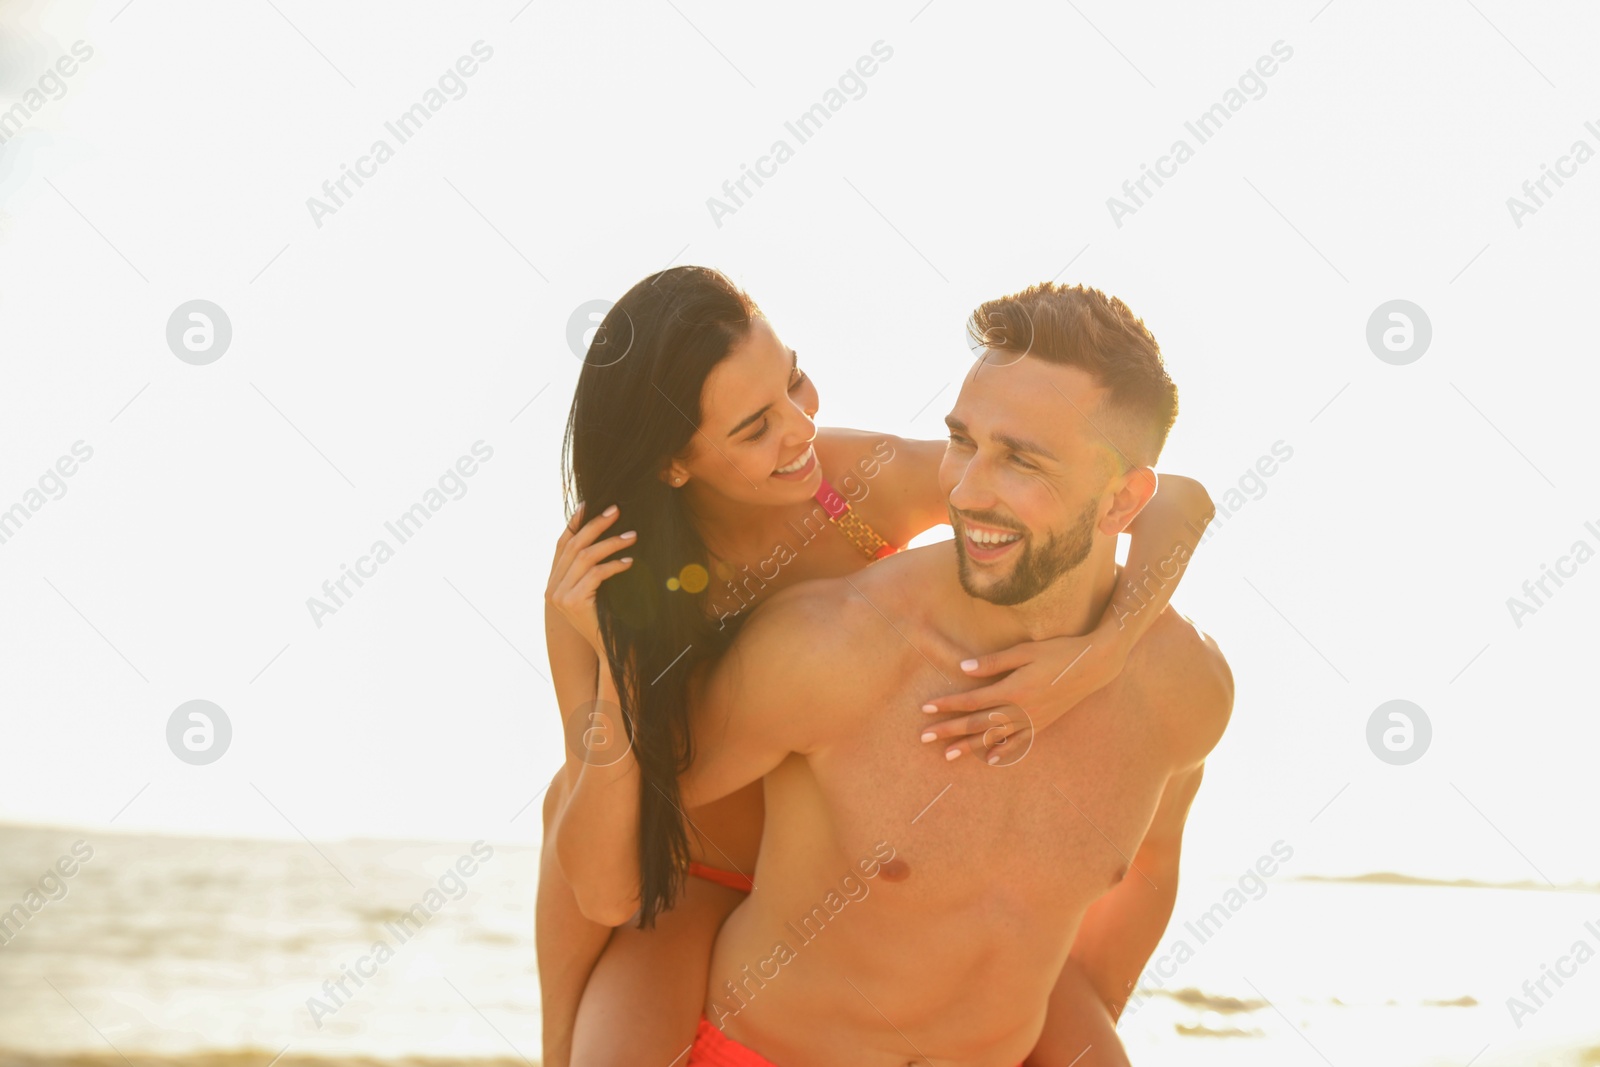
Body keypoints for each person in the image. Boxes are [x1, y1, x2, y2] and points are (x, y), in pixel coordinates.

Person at [540, 268, 1216, 1066]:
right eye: (754, 426)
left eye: (794, 380)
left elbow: (1167, 497)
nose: (799, 431)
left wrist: (1098, 658)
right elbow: (591, 832)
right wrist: (617, 657)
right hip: (697, 870)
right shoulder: (607, 580)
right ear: (673, 463)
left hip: (863, 859)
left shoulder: (850, 485)